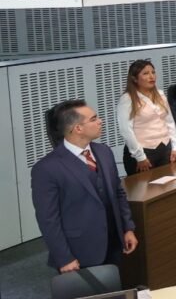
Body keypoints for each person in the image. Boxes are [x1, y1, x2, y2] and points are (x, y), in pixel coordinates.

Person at [33, 100, 138, 275]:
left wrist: (128, 228)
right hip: (79, 252)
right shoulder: (46, 168)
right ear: (78, 128)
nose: (100, 121)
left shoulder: (104, 152)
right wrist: (64, 257)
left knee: (114, 289)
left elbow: (118, 193)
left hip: (113, 243)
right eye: (94, 119)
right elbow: (48, 219)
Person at [116, 59, 176, 176]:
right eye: (145, 73)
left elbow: (169, 121)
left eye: (153, 72)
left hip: (165, 149)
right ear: (135, 79)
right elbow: (126, 131)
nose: (151, 76)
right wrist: (140, 157)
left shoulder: (160, 94)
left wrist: (175, 146)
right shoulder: (127, 99)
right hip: (144, 152)